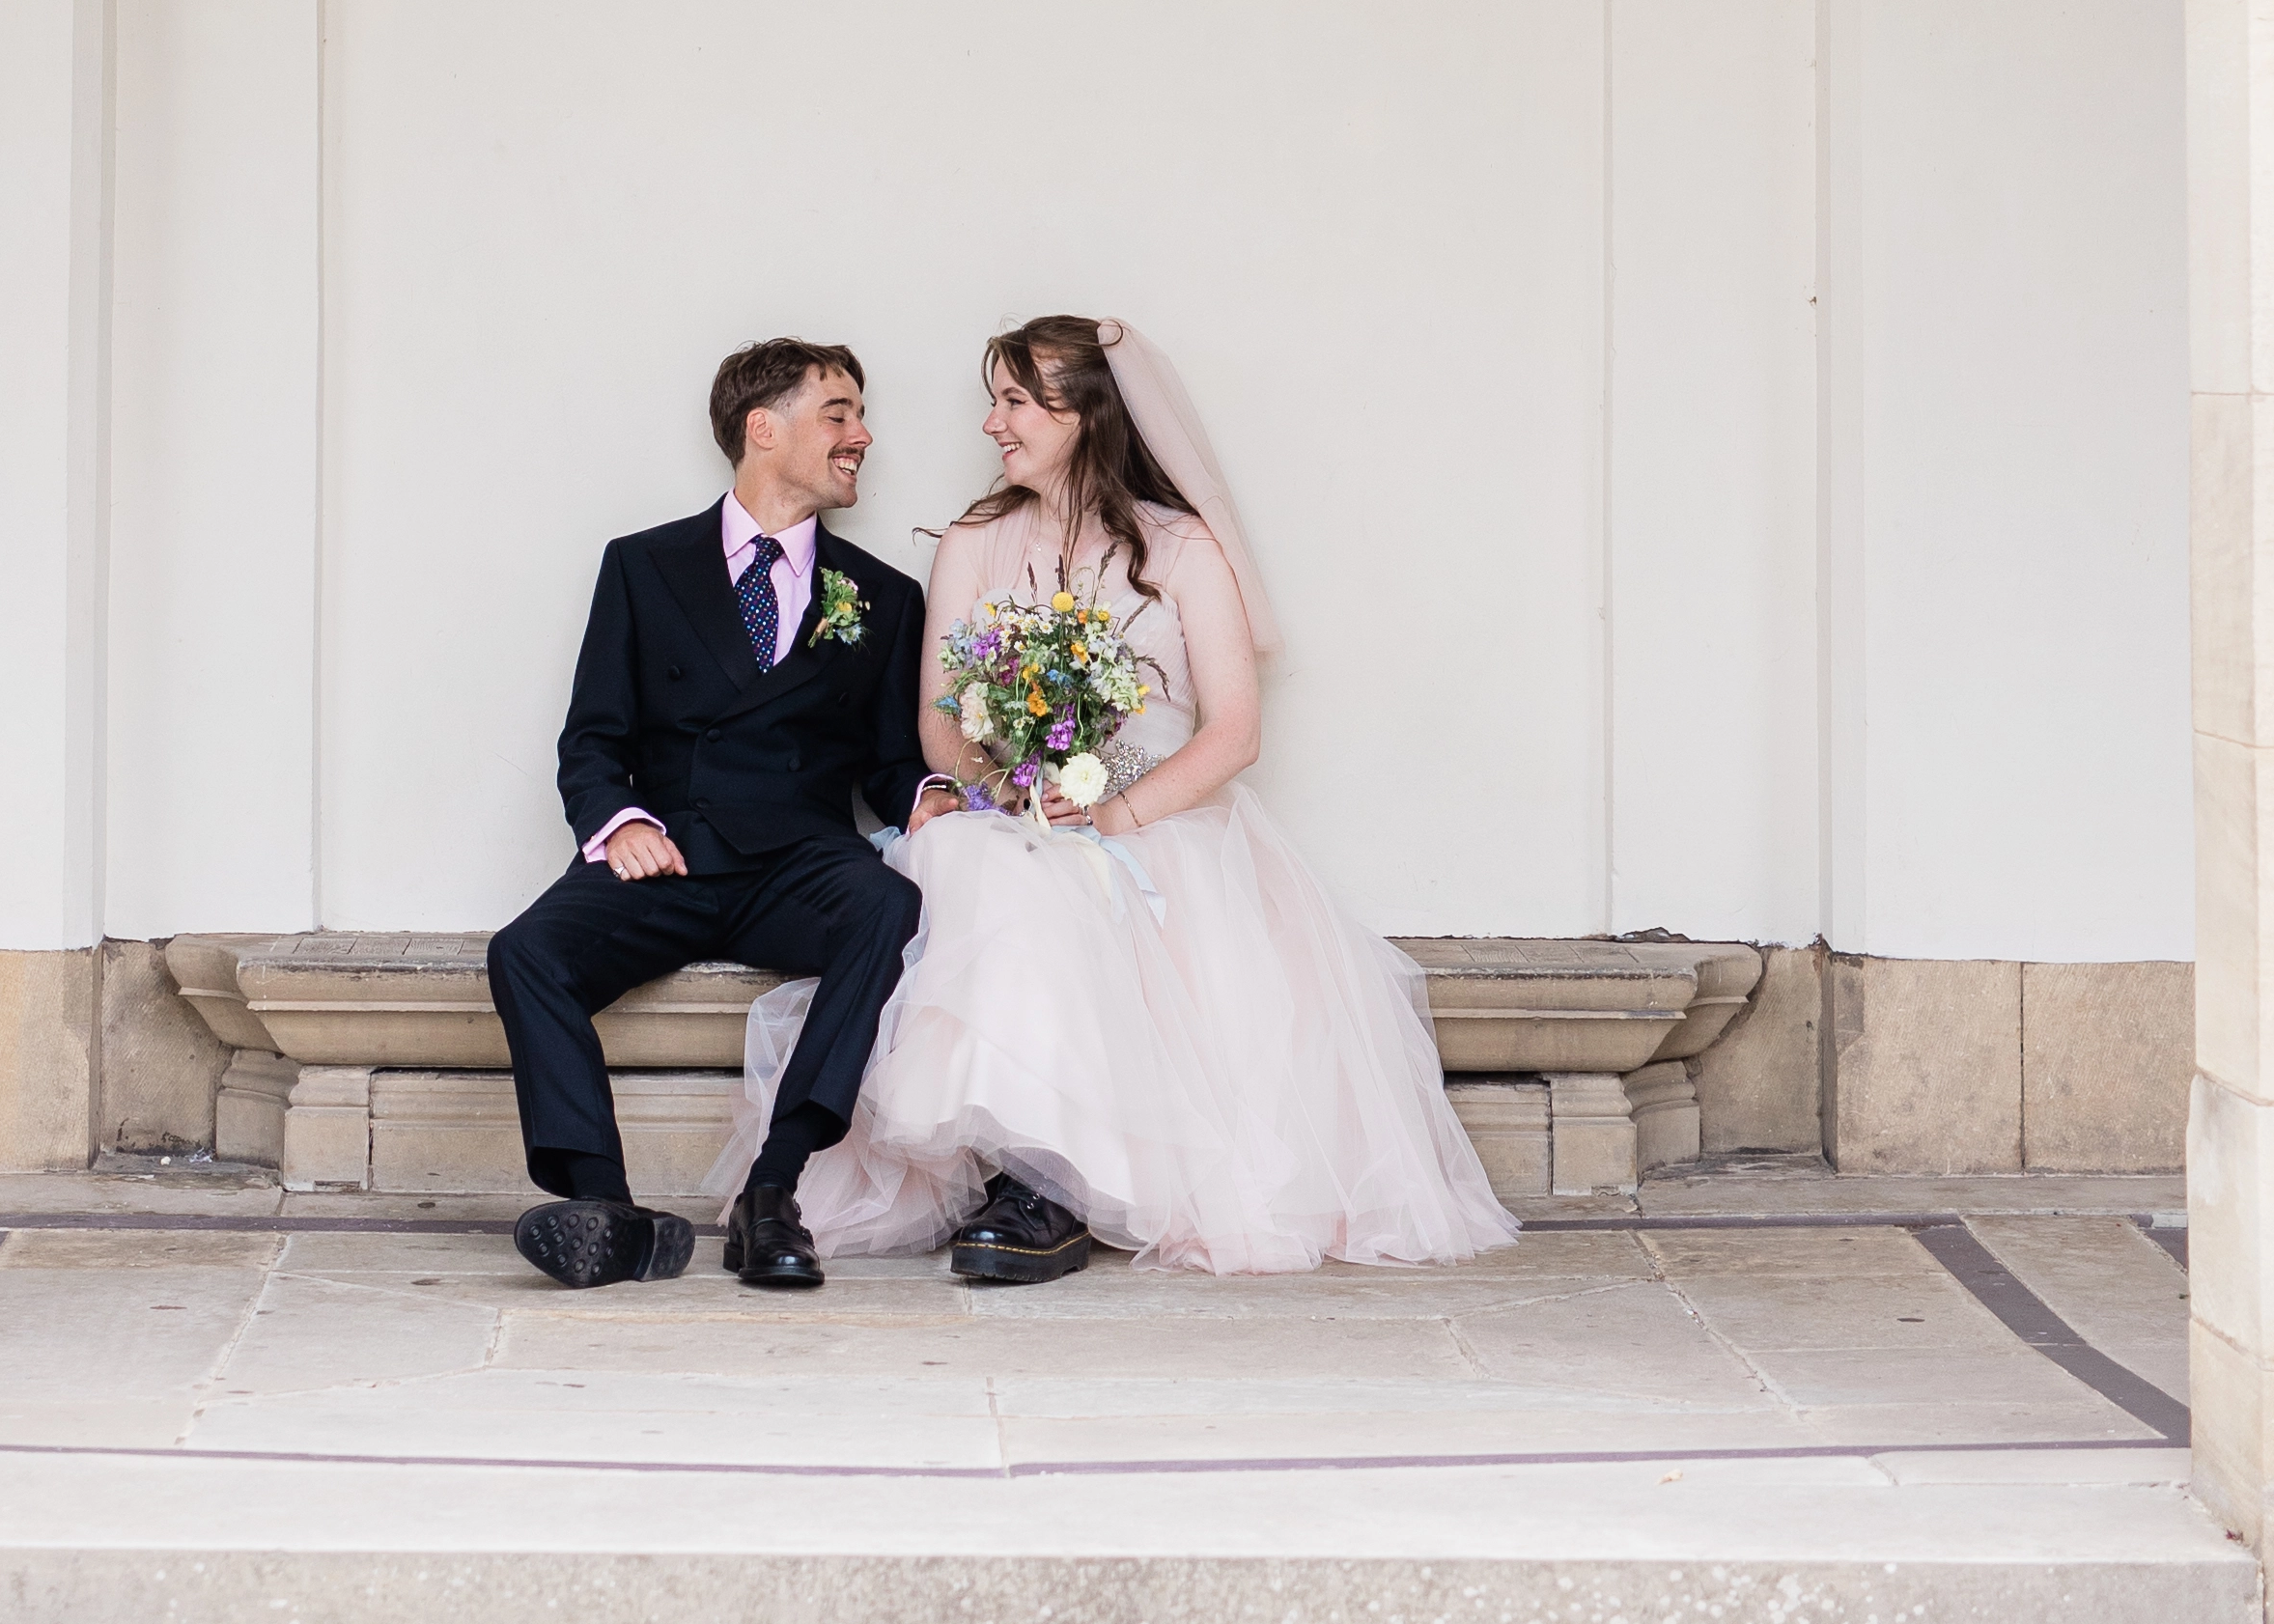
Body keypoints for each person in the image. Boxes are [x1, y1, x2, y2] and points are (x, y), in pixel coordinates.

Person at [718, 315, 1519, 1284]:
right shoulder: (974, 541)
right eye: (995, 400)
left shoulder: (1184, 550)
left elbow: (1235, 731)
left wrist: (1112, 817)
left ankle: (1050, 1195)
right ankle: (1023, 1175)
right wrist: (1010, 788)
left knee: (1086, 887)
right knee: (973, 862)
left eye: (1015, 401)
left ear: (1085, 414)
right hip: (1016, 814)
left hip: (1157, 824)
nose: (992, 423)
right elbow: (940, 722)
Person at [488, 336, 961, 1293]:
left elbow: (889, 761)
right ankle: (602, 1205)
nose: (862, 436)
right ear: (763, 428)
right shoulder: (643, 566)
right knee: (525, 952)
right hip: (671, 855)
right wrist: (621, 822)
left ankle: (774, 1189)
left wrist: (930, 797)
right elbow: (593, 738)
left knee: (886, 905)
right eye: (838, 413)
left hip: (797, 864)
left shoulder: (884, 595)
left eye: (861, 416)